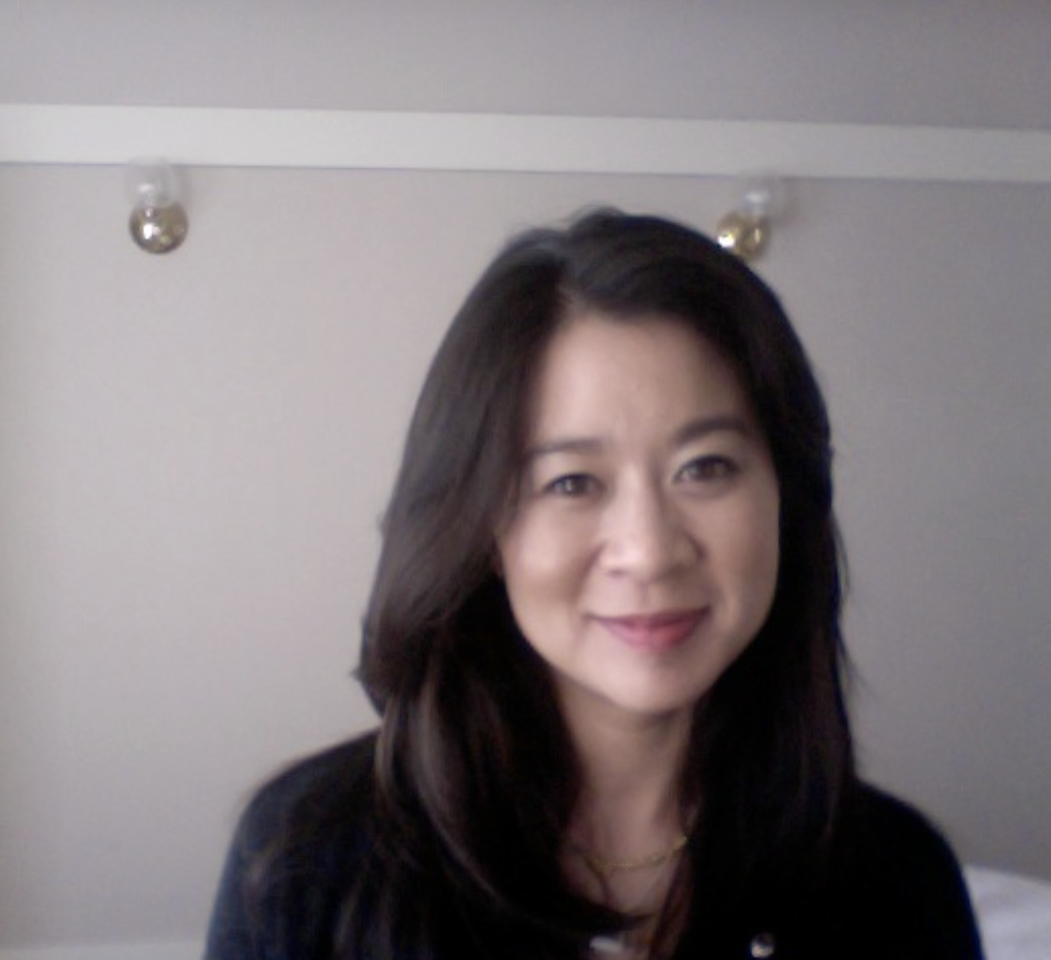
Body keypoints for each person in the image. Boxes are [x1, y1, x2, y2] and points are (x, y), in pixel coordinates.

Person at [202, 209, 984, 959]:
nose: (647, 551)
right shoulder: (305, 862)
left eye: (704, 468)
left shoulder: (896, 881)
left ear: (787, 497)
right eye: (572, 482)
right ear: (482, 529)